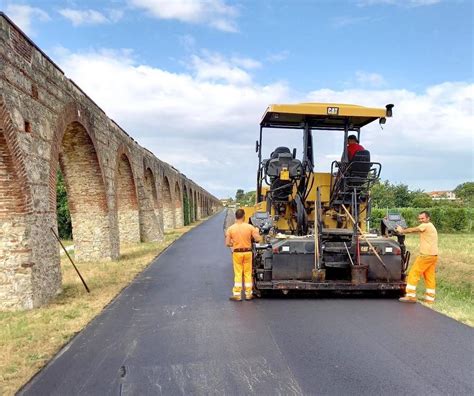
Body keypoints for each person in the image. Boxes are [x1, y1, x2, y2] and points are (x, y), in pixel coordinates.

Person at [396, 211, 438, 304]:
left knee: (413, 273)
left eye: (422, 218)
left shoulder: (426, 225)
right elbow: (416, 229)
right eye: (419, 218)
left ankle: (410, 296)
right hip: (433, 255)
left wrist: (402, 230)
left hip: (425, 255)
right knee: (429, 276)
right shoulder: (431, 226)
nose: (421, 220)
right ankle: (430, 299)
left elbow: (415, 229)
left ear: (428, 218)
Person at [225, 209, 262, 301]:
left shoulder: (231, 229)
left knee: (238, 273)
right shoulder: (250, 227)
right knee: (247, 273)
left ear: (236, 217)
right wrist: (257, 231)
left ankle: (237, 294)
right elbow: (258, 239)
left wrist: (234, 243)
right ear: (244, 216)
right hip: (247, 253)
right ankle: (248, 294)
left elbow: (227, 244)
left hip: (237, 253)